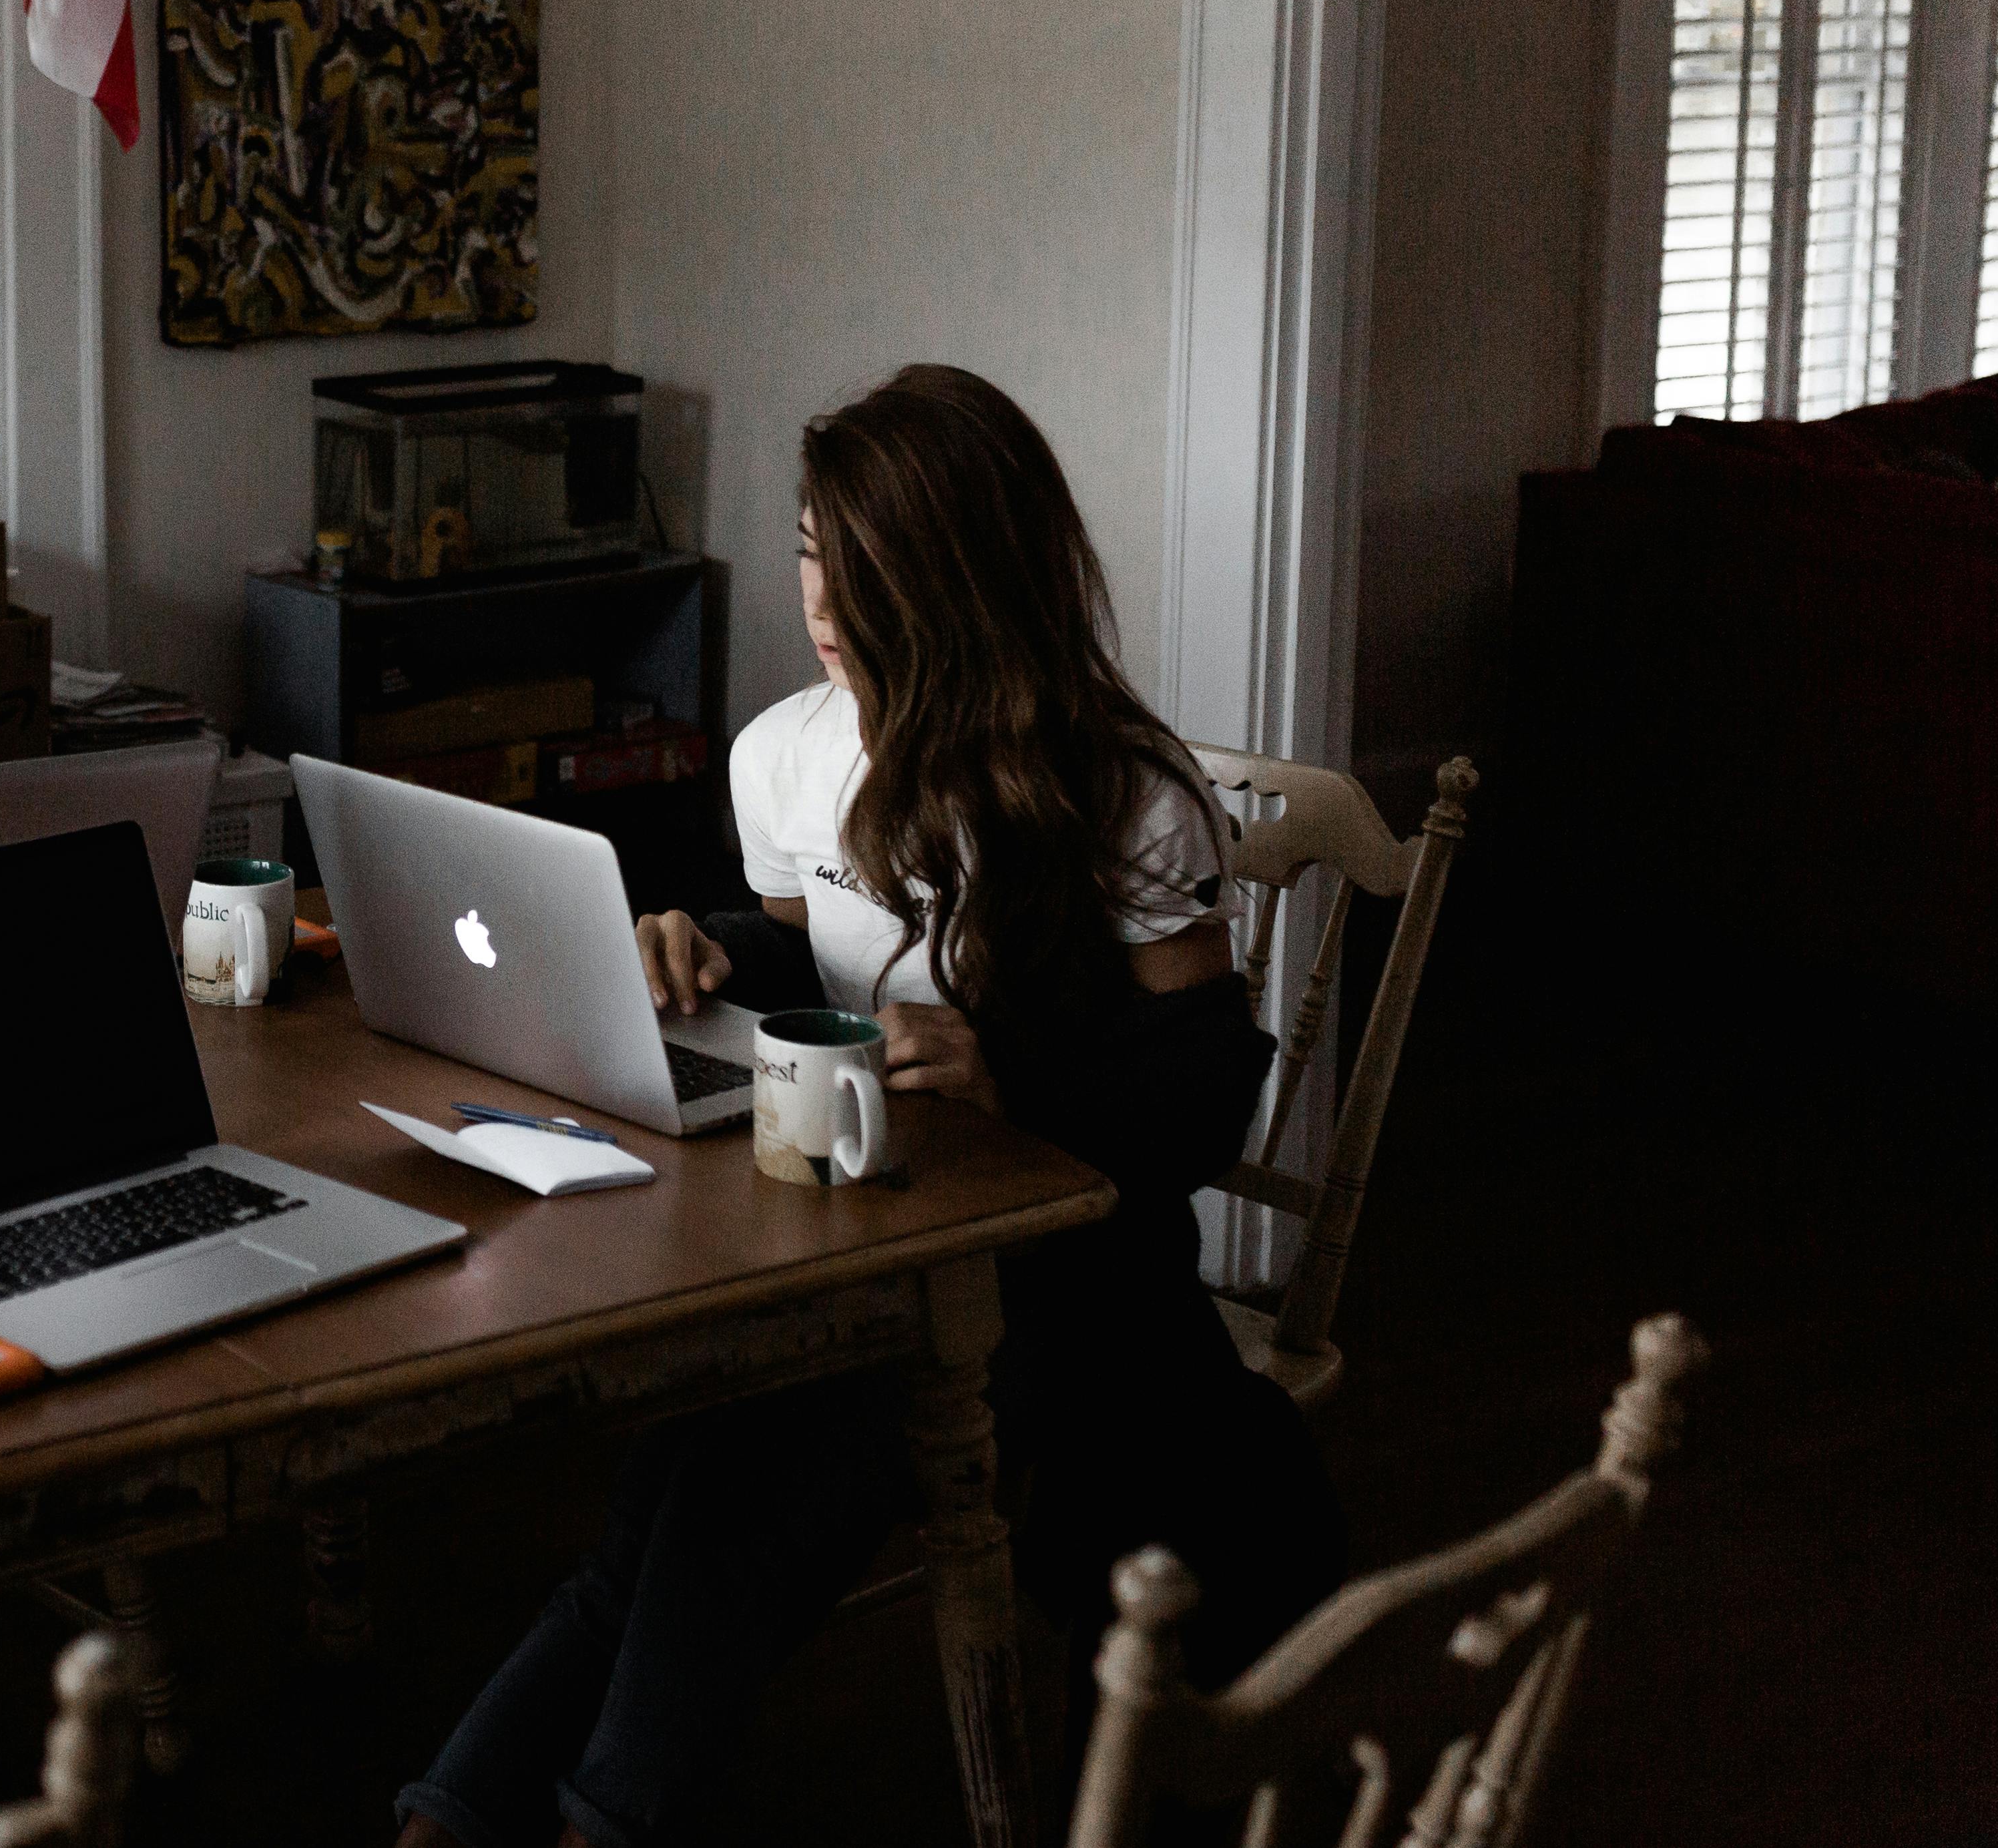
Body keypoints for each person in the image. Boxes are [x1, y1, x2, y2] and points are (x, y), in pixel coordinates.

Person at [393, 365, 1342, 1848]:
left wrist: (1009, 1069)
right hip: (854, 1237)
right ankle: (456, 1816)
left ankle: (591, 1820)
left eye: (863, 565)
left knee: (731, 1491)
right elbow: (810, 949)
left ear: (962, 576)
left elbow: (1209, 1085)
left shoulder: (1118, 794)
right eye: (806, 546)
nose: (820, 598)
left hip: (1053, 1281)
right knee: (670, 1493)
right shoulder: (785, 755)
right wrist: (705, 943)